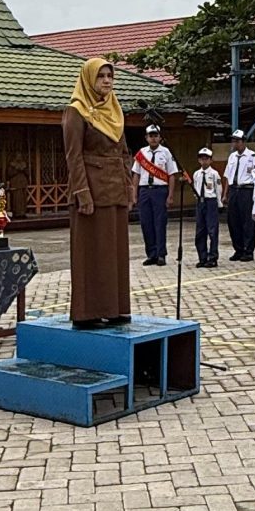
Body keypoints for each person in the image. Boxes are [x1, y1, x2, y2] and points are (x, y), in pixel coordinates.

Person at [63, 58, 132, 328]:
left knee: (114, 253)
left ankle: (115, 308)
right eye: (101, 76)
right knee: (91, 253)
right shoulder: (76, 111)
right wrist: (83, 193)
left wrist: (128, 186)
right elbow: (73, 156)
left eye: (110, 76)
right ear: (89, 79)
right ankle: (88, 312)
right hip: (90, 191)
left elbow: (124, 153)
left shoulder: (115, 110)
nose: (106, 81)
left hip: (115, 191)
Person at [131, 123, 176, 267]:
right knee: (146, 223)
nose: (153, 139)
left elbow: (172, 175)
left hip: (160, 190)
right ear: (146, 137)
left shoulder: (166, 153)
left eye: (156, 136)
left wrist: (170, 195)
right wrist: (134, 194)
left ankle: (161, 254)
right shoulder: (141, 153)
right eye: (151, 136)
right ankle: (151, 254)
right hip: (144, 190)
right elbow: (136, 174)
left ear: (160, 137)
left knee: (160, 223)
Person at [224, 131, 255, 261]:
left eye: (237, 141)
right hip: (233, 189)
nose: (235, 143)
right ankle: (238, 249)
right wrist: (225, 194)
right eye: (233, 141)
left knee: (247, 222)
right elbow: (227, 176)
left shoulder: (252, 156)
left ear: (243, 141)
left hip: (246, 190)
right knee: (233, 221)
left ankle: (248, 250)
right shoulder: (232, 157)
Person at [191, 148, 223, 267]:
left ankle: (213, 257)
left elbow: (218, 188)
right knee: (200, 231)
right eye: (202, 159)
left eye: (206, 159)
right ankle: (202, 257)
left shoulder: (214, 174)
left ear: (210, 160)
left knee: (212, 230)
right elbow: (195, 187)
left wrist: (219, 203)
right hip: (201, 202)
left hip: (211, 202)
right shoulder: (197, 174)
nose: (204, 161)